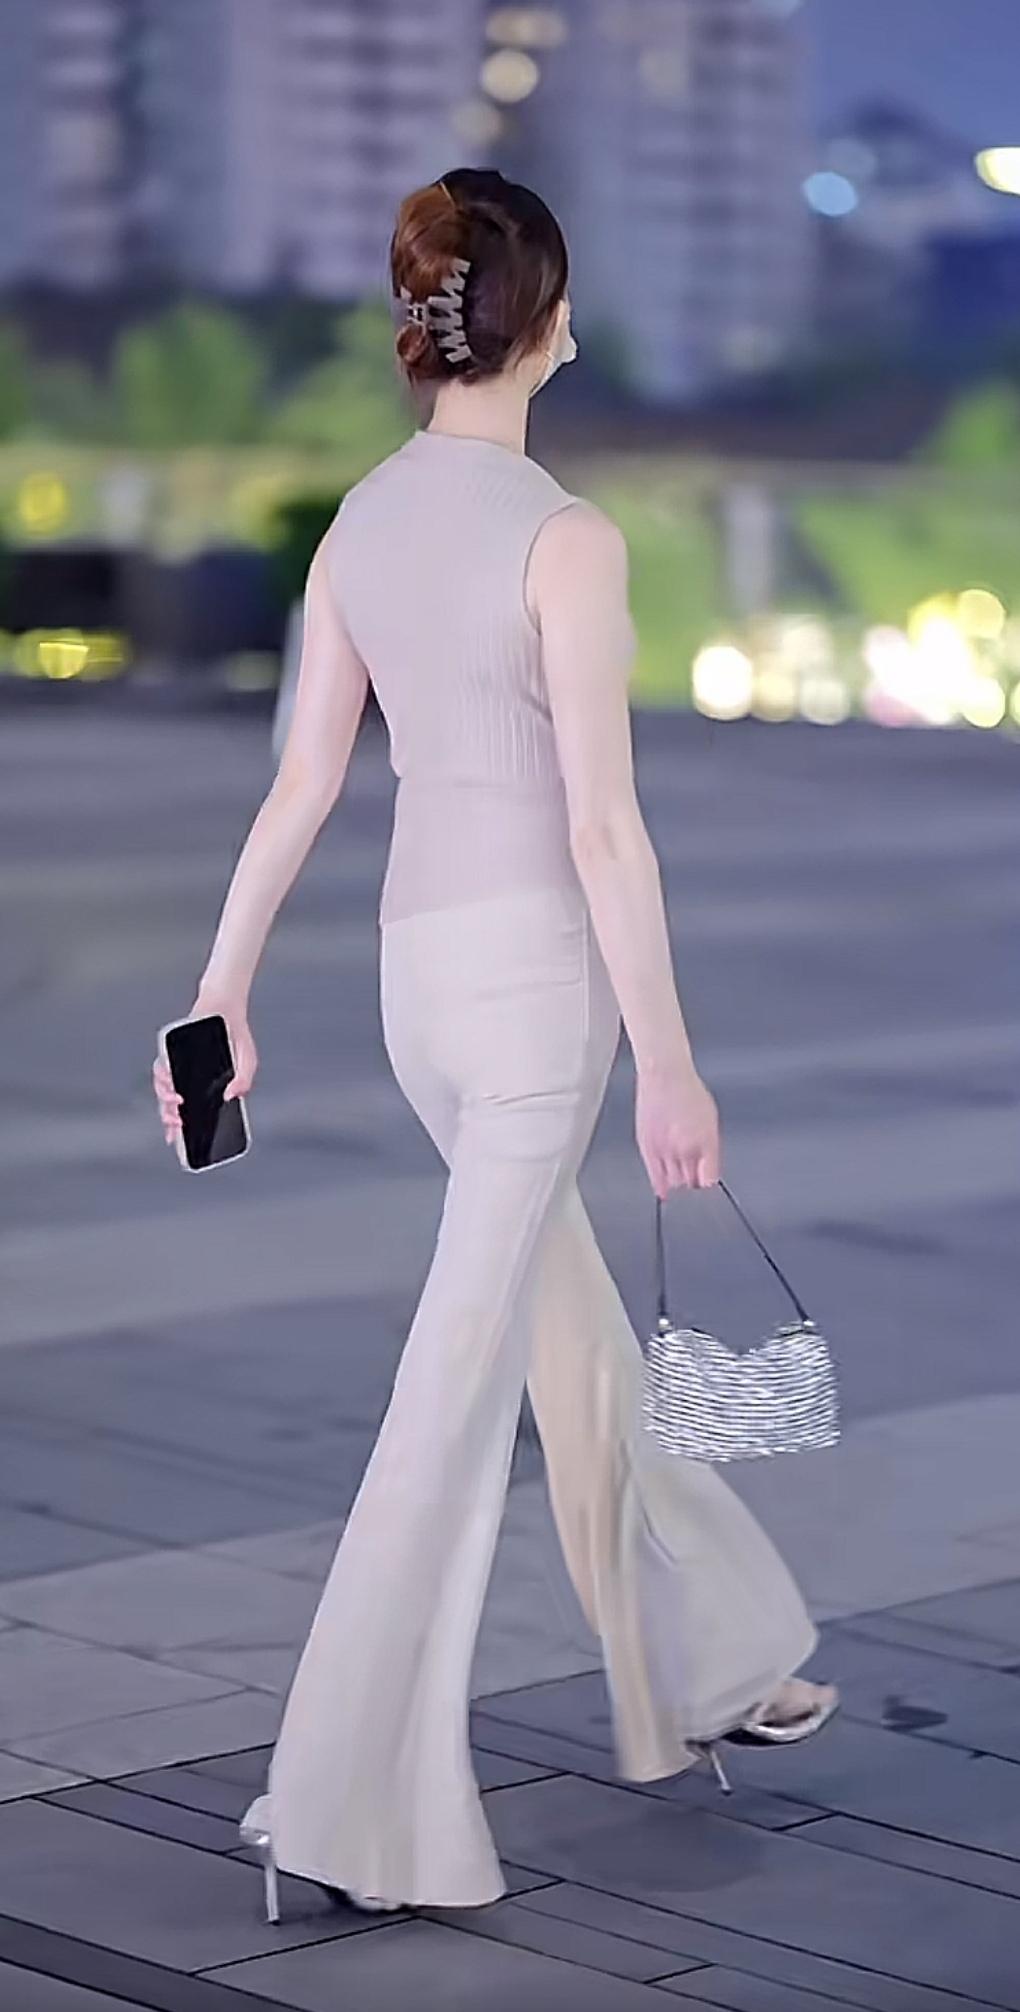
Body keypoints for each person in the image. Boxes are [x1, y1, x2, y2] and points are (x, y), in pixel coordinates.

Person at [152, 167, 837, 1921]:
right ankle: (339, 1805)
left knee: (565, 1333)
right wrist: (670, 1060)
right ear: (542, 323)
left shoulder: (363, 524)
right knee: (452, 1405)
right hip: (536, 995)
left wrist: (220, 992)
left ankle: (720, 1651)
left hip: (420, 998)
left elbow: (302, 785)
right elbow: (604, 828)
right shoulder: (564, 536)